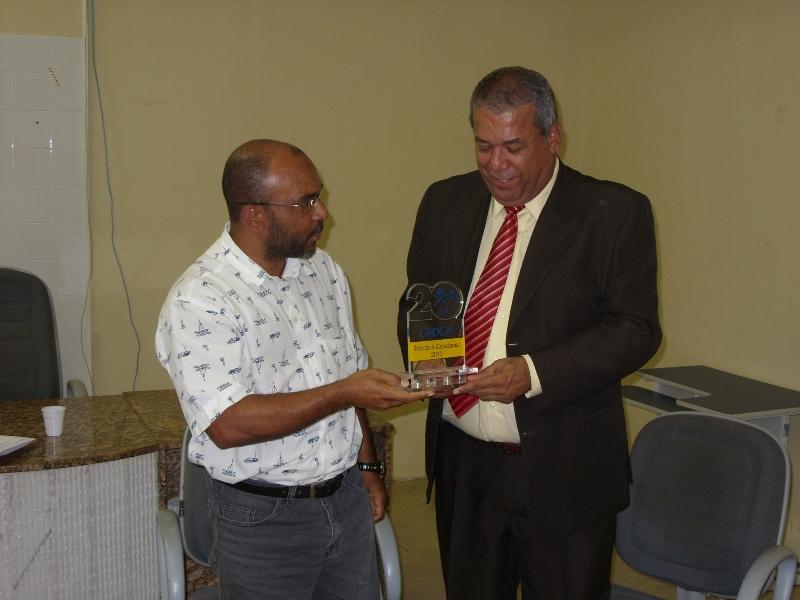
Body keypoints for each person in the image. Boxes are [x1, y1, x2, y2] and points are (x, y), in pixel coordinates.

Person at [398, 67, 661, 599]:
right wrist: (426, 356)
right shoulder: (445, 202)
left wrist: (534, 372)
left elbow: (635, 329)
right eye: (484, 145)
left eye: (514, 147)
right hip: (464, 464)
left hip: (565, 467)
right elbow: (420, 297)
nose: (497, 164)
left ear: (553, 136)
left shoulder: (612, 212)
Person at [156, 139, 430, 600]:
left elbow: (348, 373)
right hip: (262, 518)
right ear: (254, 215)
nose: (322, 212)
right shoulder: (200, 298)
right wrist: (345, 392)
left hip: (345, 498)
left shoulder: (323, 272)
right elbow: (228, 424)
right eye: (305, 202)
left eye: (317, 196)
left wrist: (367, 465)